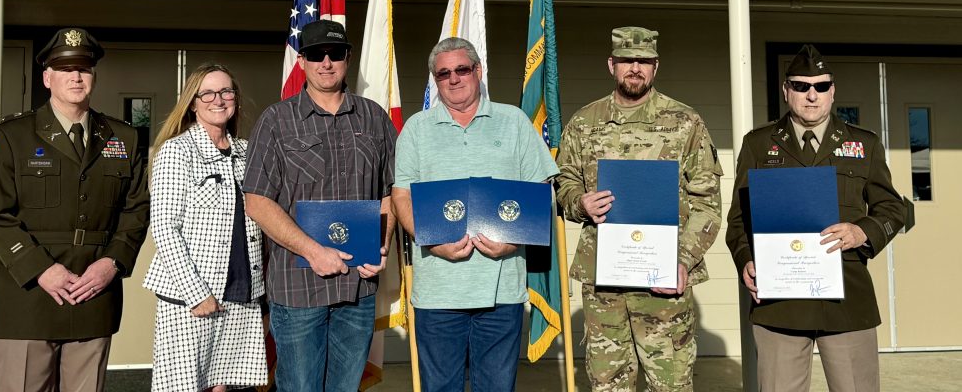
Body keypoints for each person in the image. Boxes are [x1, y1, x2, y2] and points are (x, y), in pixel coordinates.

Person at [725, 44, 906, 392]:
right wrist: (745, 259)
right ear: (786, 90)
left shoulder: (863, 144)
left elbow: (892, 209)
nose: (812, 96)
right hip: (780, 302)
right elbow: (739, 219)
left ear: (832, 91)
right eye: (801, 86)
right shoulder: (759, 145)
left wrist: (862, 232)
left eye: (820, 86)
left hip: (846, 297)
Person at [0, 27, 149, 392]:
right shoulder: (13, 135)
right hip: (28, 297)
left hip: (94, 293)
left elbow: (136, 210)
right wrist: (41, 269)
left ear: (94, 76)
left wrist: (112, 264)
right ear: (47, 77)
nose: (76, 76)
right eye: (65, 68)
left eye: (84, 68)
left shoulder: (124, 138)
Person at [553, 26, 723, 392]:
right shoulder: (584, 123)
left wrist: (682, 259)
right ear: (611, 64)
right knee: (607, 385)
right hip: (604, 286)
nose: (635, 68)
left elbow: (707, 204)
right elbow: (564, 182)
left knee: (672, 384)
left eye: (643, 61)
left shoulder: (685, 122)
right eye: (627, 60)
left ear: (655, 67)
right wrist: (579, 202)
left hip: (664, 285)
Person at [390, 37, 559, 392]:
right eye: (443, 74)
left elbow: (540, 190)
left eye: (461, 70)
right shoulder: (416, 129)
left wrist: (511, 244)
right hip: (438, 291)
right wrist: (433, 243)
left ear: (478, 71)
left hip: (501, 292)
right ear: (435, 81)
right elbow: (401, 195)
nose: (453, 79)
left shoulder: (513, 122)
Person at [242, 19, 397, 392]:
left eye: (335, 53)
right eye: (315, 54)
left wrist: (383, 243)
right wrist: (313, 251)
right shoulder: (276, 121)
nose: (326, 62)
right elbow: (257, 201)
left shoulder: (374, 117)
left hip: (357, 288)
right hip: (299, 290)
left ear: (347, 58)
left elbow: (392, 192)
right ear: (302, 61)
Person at [142, 63, 267, 391]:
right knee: (185, 386)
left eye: (226, 91)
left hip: (242, 291)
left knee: (226, 387)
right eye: (208, 93)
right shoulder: (177, 150)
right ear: (193, 102)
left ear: (236, 99)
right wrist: (196, 293)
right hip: (192, 295)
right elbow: (165, 227)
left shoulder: (247, 151)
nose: (219, 99)